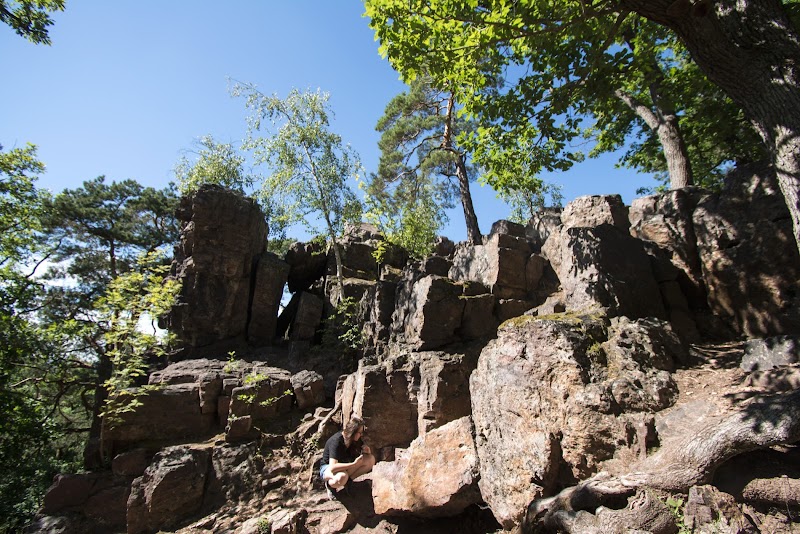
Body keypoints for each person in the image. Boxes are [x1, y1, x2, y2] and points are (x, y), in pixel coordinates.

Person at [320, 415, 375, 499]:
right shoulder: (336, 441)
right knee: (342, 477)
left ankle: (348, 482)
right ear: (353, 432)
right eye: (359, 433)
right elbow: (333, 467)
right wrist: (353, 464)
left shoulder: (355, 440)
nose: (361, 435)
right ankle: (330, 485)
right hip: (328, 468)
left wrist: (367, 452)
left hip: (344, 465)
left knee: (370, 459)